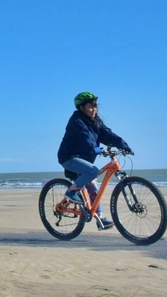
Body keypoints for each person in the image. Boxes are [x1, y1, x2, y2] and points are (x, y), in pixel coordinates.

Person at [57, 92, 133, 230]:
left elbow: (107, 134)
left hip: (85, 159)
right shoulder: (76, 120)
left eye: (95, 106)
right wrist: (96, 149)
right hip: (69, 157)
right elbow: (86, 137)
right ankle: (71, 192)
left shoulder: (96, 121)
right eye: (90, 107)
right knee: (93, 171)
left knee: (93, 188)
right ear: (81, 108)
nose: (94, 109)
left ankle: (101, 219)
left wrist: (123, 145)